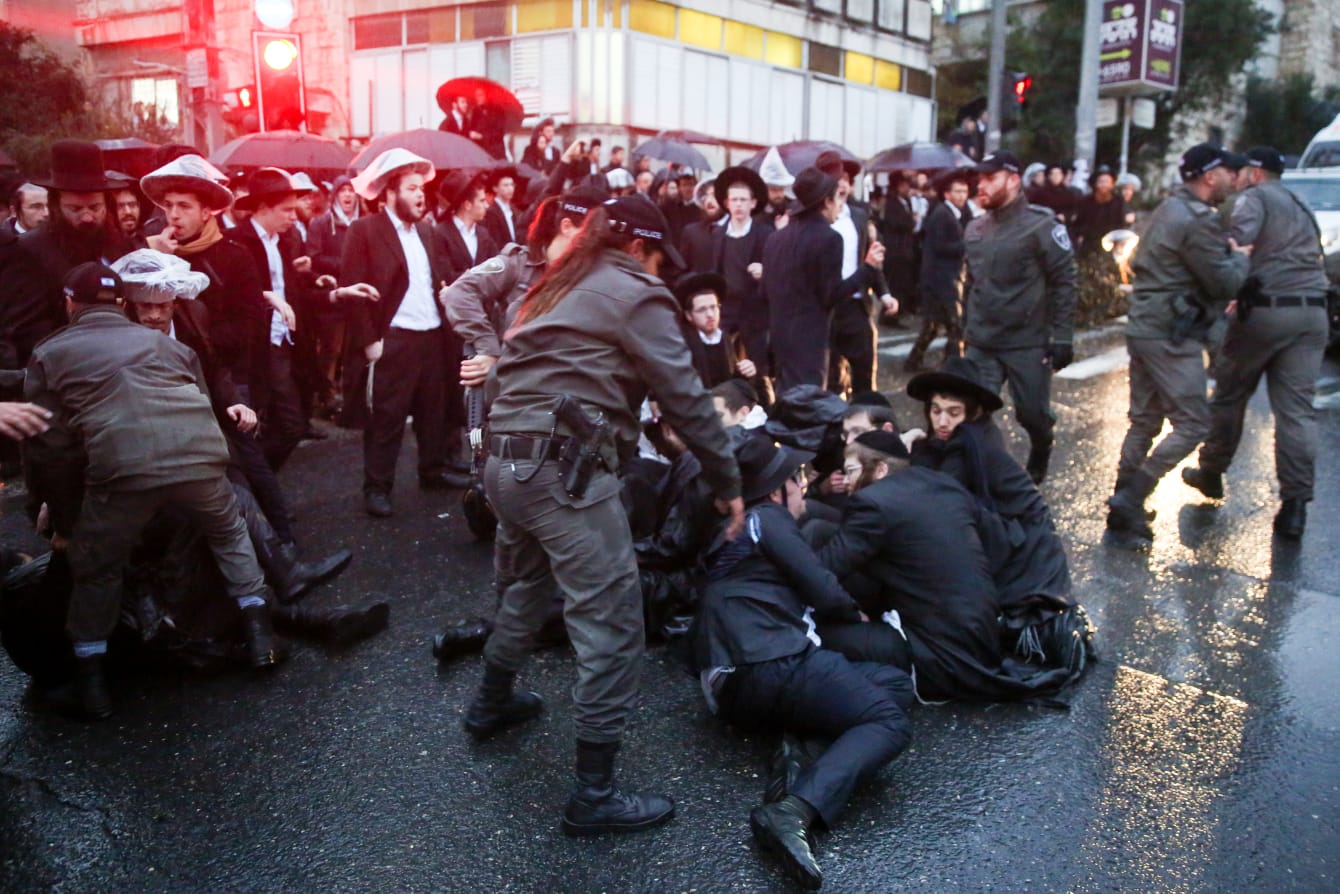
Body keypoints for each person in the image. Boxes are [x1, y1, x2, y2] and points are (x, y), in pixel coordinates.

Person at [461, 196, 743, 837]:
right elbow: (685, 396)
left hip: (506, 463)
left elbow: (508, 376)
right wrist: (727, 481)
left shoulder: (552, 283)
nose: (657, 269)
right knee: (612, 619)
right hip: (564, 471)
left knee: (525, 584)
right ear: (641, 249)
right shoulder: (636, 291)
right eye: (656, 257)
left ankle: (492, 702)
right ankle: (594, 795)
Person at [23, 263, 285, 720]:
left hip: (123, 469)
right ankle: (261, 638)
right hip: (199, 455)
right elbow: (202, 402)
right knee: (228, 535)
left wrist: (61, 519)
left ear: (70, 303)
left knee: (98, 568)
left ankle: (92, 686)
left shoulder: (50, 353)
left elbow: (49, 447)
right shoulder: (165, 344)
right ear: (122, 303)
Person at [693, 432, 913, 891]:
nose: (805, 486)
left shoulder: (725, 533)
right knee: (889, 722)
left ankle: (799, 752)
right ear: (777, 491)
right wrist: (855, 612)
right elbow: (821, 585)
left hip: (733, 685)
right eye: (797, 479)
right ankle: (792, 810)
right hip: (773, 663)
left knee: (891, 682)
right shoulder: (766, 517)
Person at [111, 248, 355, 603]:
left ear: (175, 300)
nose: (152, 314)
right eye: (143, 306)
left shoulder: (193, 313)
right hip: (151, 435)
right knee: (230, 488)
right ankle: (278, 575)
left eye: (160, 305)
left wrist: (234, 402)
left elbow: (213, 367)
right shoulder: (121, 332)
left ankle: (283, 563)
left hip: (203, 414)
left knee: (250, 471)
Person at [818, 431, 1077, 703]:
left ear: (881, 469)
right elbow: (996, 543)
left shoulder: (871, 502)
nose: (845, 481)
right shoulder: (940, 482)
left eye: (850, 470)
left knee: (816, 635)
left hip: (940, 656)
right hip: (984, 638)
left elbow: (827, 569)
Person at [1181, 146, 1330, 539]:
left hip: (1265, 311)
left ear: (1256, 173)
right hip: (1313, 314)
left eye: (1243, 170)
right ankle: (1295, 507)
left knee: (1230, 393)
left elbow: (1235, 248)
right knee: (1297, 411)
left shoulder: (1253, 199)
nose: (1237, 176)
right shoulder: (1301, 204)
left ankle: (1211, 472)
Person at [1104, 143, 1249, 549]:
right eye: (1225, 172)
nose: (1231, 180)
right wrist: (1241, 259)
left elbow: (1137, 263)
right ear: (1209, 175)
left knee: (1144, 420)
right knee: (1194, 423)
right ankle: (1131, 498)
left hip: (1146, 326)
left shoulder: (1167, 209)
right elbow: (1223, 282)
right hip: (1172, 332)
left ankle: (1120, 507)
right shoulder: (1198, 218)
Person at [906, 357, 1072, 628]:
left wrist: (910, 451)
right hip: (1023, 535)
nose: (942, 421)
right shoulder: (972, 433)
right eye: (935, 410)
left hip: (1028, 550)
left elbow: (932, 494)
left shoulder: (970, 442)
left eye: (953, 412)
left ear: (973, 411)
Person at [341, 149, 462, 518]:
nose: (420, 195)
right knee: (387, 418)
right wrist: (369, 342)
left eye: (421, 188)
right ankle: (377, 486)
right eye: (411, 188)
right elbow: (353, 289)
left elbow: (433, 278)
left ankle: (433, 470)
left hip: (431, 335)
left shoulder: (427, 231)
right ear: (390, 193)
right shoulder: (364, 230)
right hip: (393, 338)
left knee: (434, 412)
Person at [961, 150, 1078, 484]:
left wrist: (1063, 337)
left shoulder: (1041, 225)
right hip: (983, 341)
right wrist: (965, 330)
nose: (980, 186)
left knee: (1033, 415)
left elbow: (1065, 281)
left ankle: (1042, 444)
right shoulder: (975, 229)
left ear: (1013, 181)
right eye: (979, 179)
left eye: (990, 178)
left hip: (1027, 341)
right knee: (973, 413)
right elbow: (972, 284)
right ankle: (987, 476)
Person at [2, 141, 132, 372]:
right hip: (63, 374)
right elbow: (24, 333)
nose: (87, 218)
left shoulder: (119, 243)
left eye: (94, 207)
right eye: (75, 209)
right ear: (55, 206)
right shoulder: (28, 251)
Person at [225, 167, 317, 472]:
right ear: (263, 207)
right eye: (286, 209)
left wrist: (331, 291)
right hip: (257, 347)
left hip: (285, 341)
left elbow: (293, 292)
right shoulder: (237, 242)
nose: (294, 215)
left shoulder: (284, 242)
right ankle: (258, 486)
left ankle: (259, 485)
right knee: (286, 424)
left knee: (288, 422)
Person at [763, 168, 884, 393]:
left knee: (785, 403)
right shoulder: (829, 238)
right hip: (810, 340)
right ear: (827, 202)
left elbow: (765, 292)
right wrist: (868, 267)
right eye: (837, 198)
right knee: (808, 405)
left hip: (779, 337)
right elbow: (832, 294)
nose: (840, 205)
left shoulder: (775, 238)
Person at [817, 151, 895, 398]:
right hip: (826, 306)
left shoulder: (860, 217)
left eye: (846, 179)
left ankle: (867, 421)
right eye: (835, 178)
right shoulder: (815, 218)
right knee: (831, 377)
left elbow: (870, 260)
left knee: (864, 374)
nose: (841, 183)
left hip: (856, 305)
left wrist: (884, 294)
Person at [905, 170, 972, 372]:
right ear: (947, 194)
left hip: (944, 278)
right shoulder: (943, 215)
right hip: (942, 279)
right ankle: (953, 366)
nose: (962, 195)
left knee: (932, 325)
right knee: (955, 325)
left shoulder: (952, 213)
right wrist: (967, 245)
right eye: (958, 191)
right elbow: (941, 247)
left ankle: (914, 360)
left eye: (965, 191)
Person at [675, 272, 756, 389]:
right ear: (689, 315)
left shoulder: (724, 338)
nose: (710, 314)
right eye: (702, 310)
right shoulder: (681, 344)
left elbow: (730, 382)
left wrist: (746, 372)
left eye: (713, 307)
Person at [1072, 165, 1126, 257]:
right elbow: (1078, 223)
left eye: (1107, 182)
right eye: (1101, 182)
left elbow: (1120, 223)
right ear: (1096, 184)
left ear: (1112, 184)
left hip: (1111, 243)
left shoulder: (1118, 201)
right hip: (1089, 243)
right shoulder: (1086, 201)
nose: (1104, 185)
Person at [483, 168, 520, 249]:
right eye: (505, 185)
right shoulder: (491, 212)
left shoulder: (514, 210)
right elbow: (495, 240)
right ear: (495, 188)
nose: (510, 188)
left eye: (512, 184)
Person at [758, 146, 794, 229]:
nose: (779, 194)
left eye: (781, 189)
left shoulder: (793, 209)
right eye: (774, 190)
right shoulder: (756, 211)